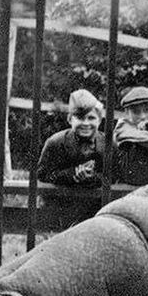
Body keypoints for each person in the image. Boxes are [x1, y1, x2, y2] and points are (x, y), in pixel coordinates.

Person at [36, 89, 106, 225]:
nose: (86, 123)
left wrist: (93, 178)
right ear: (69, 119)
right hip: (62, 208)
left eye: (91, 118)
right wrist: (72, 175)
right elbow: (42, 175)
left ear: (99, 120)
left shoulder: (107, 144)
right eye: (80, 118)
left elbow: (115, 176)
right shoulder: (55, 142)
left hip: (97, 210)